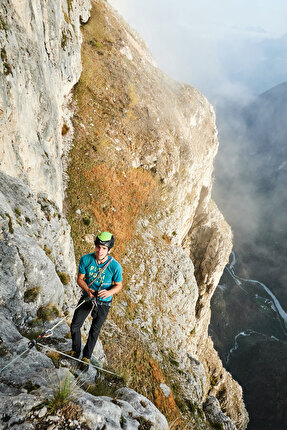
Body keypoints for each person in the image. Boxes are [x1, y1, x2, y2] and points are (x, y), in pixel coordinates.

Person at [69, 231, 123, 371]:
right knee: (75, 325)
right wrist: (88, 290)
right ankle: (75, 352)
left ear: (109, 250)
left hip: (104, 302)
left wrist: (108, 292)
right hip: (88, 296)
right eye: (98, 247)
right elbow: (80, 279)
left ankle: (86, 357)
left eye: (104, 248)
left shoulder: (115, 266)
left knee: (94, 330)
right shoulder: (86, 259)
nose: (100, 251)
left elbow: (119, 285)